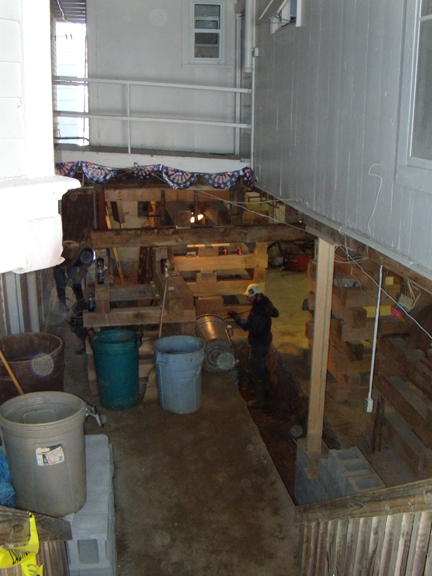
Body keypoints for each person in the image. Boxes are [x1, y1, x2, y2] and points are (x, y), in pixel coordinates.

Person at [228, 283, 279, 409]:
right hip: (266, 339)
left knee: (256, 369)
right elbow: (276, 313)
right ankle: (263, 389)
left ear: (258, 295)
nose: (247, 299)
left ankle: (259, 400)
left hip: (259, 343)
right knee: (261, 364)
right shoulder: (266, 302)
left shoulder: (257, 313)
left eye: (250, 297)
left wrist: (236, 317)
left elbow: (245, 326)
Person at [53, 240, 94, 311]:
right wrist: (65, 279)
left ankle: (80, 302)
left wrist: (74, 280)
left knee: (74, 278)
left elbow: (83, 271)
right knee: (61, 283)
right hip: (59, 260)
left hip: (71, 261)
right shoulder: (68, 251)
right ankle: (62, 306)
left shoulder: (86, 254)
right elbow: (59, 267)